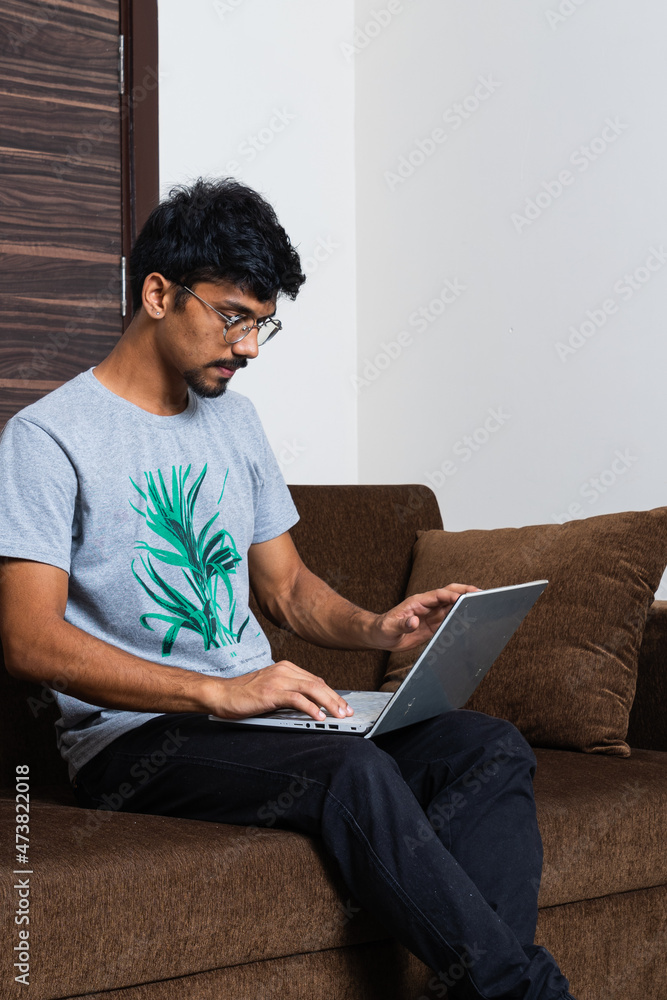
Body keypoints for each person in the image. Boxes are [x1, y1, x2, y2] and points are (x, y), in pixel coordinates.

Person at [0, 178, 575, 1000]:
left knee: (484, 747)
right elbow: (29, 642)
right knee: (353, 777)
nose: (250, 347)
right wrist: (219, 692)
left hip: (260, 721)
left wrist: (379, 628)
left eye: (262, 323)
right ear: (159, 293)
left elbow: (287, 590)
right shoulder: (46, 438)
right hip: (139, 740)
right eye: (234, 316)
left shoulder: (234, 421)